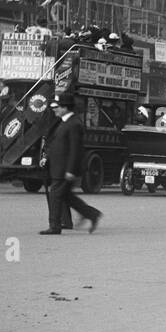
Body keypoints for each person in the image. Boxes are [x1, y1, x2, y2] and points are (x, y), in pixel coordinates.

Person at [40, 94, 102, 234]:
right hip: (58, 167)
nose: (55, 110)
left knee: (55, 195)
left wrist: (70, 170)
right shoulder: (64, 122)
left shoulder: (74, 124)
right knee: (67, 196)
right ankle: (92, 214)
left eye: (58, 107)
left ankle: (55, 226)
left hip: (64, 169)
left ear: (65, 108)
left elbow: (75, 149)